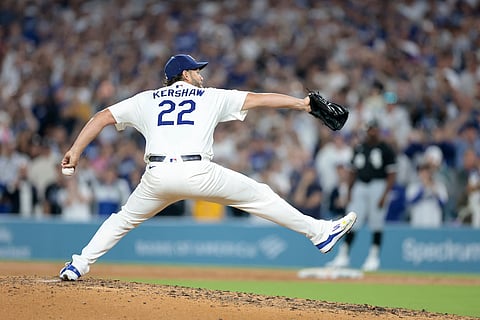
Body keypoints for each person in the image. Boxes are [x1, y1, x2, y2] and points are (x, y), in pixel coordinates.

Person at [59, 54, 357, 280]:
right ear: (185, 74)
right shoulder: (209, 96)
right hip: (197, 172)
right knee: (259, 195)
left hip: (157, 176)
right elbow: (259, 99)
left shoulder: (146, 100)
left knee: (122, 219)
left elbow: (100, 117)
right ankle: (319, 233)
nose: (201, 75)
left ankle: (77, 265)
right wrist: (303, 104)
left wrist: (75, 150)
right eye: (197, 70)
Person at [325, 119, 396, 271]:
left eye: (374, 129)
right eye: (370, 129)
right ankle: (343, 255)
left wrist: (385, 195)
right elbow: (352, 171)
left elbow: (391, 174)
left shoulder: (385, 149)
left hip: (378, 184)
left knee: (376, 222)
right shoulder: (359, 148)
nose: (372, 132)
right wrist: (349, 191)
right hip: (360, 185)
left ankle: (374, 256)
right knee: (352, 220)